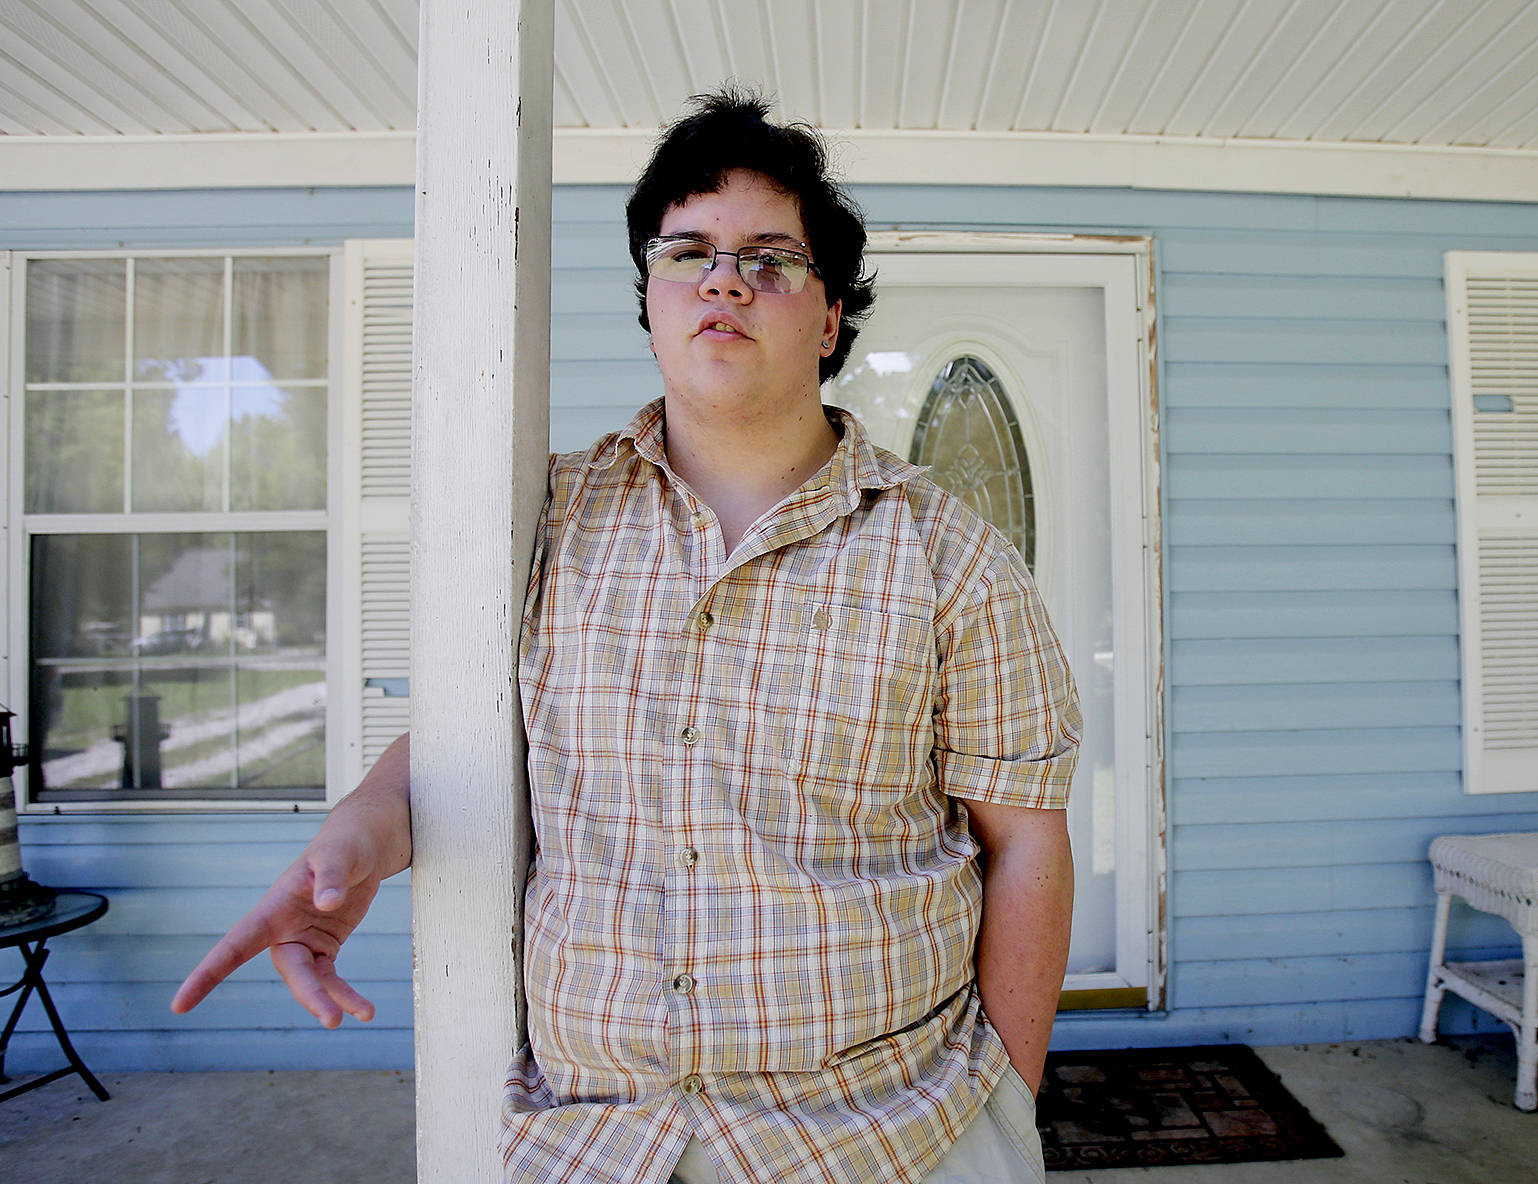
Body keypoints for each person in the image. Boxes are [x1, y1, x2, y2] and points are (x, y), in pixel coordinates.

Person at [173, 88, 1080, 1184]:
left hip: (889, 1135)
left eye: (772, 259)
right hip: (599, 1139)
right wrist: (361, 830)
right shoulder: (543, 519)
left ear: (831, 316)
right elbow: (459, 739)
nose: (725, 280)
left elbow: (1025, 838)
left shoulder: (949, 554)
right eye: (687, 251)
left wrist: (1009, 1104)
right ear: (650, 299)